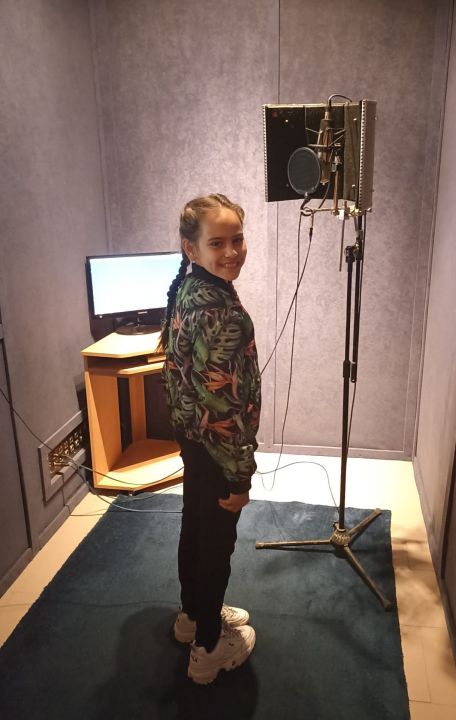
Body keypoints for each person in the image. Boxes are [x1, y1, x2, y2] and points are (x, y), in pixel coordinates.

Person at [159, 193, 261, 684]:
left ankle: (191, 615)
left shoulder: (189, 289)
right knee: (216, 544)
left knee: (195, 528)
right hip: (217, 449)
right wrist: (240, 477)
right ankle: (207, 649)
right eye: (217, 243)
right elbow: (224, 407)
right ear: (191, 248)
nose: (232, 251)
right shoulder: (223, 313)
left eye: (237, 239)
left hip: (192, 440)